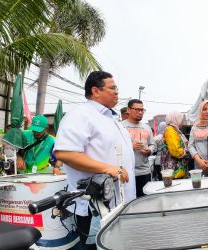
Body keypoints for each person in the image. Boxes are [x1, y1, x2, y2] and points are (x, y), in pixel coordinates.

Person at [54, 71, 135, 249]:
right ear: (95, 91)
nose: (117, 92)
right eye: (112, 88)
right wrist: (108, 168)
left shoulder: (111, 118)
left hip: (119, 202)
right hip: (95, 206)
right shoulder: (81, 114)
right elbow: (65, 153)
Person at [122, 99, 155, 197]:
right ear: (128, 110)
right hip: (127, 172)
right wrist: (129, 147)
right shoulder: (121, 126)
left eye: (142, 110)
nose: (140, 112)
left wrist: (149, 150)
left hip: (145, 171)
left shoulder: (146, 127)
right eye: (137, 110)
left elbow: (153, 144)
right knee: (130, 202)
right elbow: (114, 147)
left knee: (145, 201)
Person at [160, 111, 189, 178]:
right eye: (181, 120)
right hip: (173, 170)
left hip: (177, 169)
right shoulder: (170, 130)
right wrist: (187, 152)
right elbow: (175, 150)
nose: (182, 122)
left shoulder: (175, 130)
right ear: (176, 119)